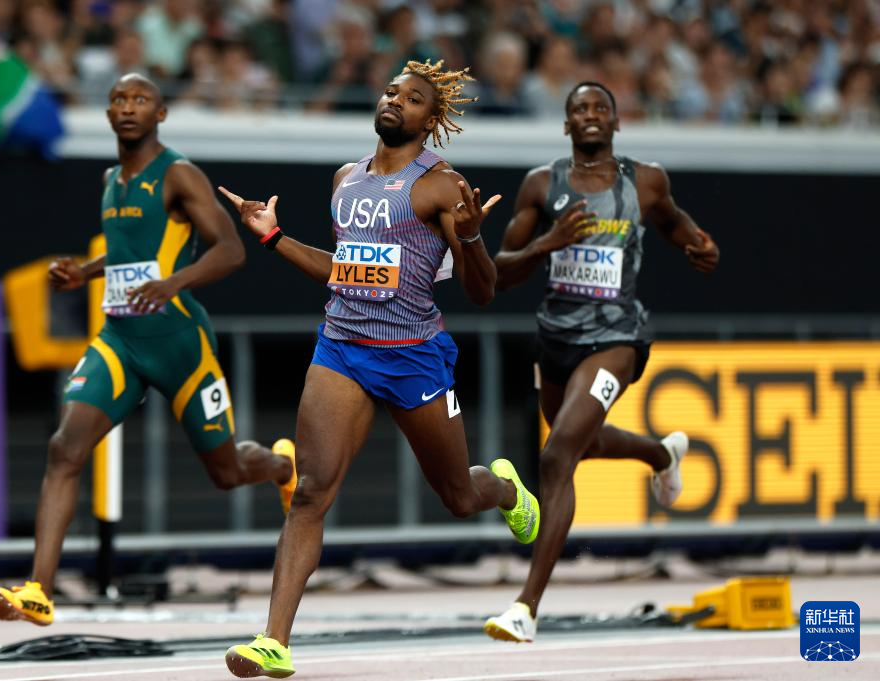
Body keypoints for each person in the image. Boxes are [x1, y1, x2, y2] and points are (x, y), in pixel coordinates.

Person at [217, 59, 541, 678]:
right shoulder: (346, 179)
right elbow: (342, 269)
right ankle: (273, 640)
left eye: (413, 98)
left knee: (458, 496)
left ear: (431, 119)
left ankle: (502, 486)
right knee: (310, 492)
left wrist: (472, 239)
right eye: (392, 90)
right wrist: (273, 237)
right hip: (342, 347)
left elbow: (483, 292)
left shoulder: (442, 186)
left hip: (414, 355)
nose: (396, 100)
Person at [0, 74, 297, 626]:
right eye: (119, 100)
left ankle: (280, 465)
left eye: (141, 100)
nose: (128, 108)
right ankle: (39, 589)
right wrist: (83, 273)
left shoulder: (179, 174)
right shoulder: (111, 178)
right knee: (64, 449)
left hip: (179, 343)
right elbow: (128, 250)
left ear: (161, 114)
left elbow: (230, 250)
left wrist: (173, 284)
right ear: (109, 113)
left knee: (226, 472)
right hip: (120, 340)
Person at [483, 82, 720, 643]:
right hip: (555, 337)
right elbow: (498, 272)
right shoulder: (541, 185)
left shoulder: (647, 181)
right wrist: (547, 244)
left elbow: (675, 223)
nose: (590, 115)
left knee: (557, 455)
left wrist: (699, 245)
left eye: (600, 108)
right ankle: (661, 454)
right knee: (583, 443)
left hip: (617, 336)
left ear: (616, 121)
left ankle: (526, 607)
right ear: (566, 124)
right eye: (579, 109)